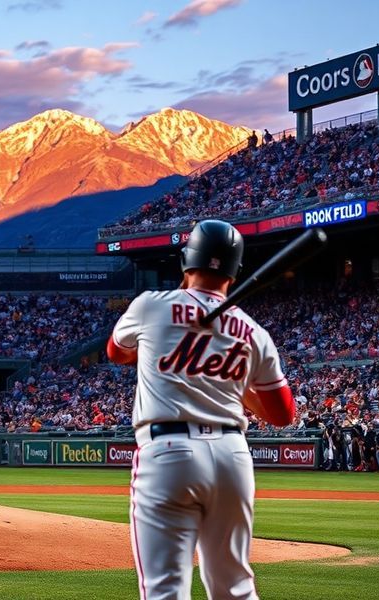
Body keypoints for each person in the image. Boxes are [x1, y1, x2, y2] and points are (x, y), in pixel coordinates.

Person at [107, 219, 295, 600]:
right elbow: (282, 414)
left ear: (185, 261)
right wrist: (233, 382)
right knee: (235, 588)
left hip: (168, 453)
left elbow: (115, 352)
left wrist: (168, 349)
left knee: (165, 589)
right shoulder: (253, 332)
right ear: (234, 271)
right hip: (232, 457)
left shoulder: (150, 306)